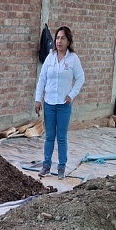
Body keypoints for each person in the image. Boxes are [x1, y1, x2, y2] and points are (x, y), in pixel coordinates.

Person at [34, 26, 85, 179]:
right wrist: (38, 99)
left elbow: (81, 78)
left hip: (64, 105)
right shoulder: (50, 57)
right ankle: (46, 165)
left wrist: (71, 95)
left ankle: (61, 167)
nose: (59, 41)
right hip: (49, 103)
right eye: (57, 38)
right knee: (49, 136)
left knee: (61, 137)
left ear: (68, 41)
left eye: (63, 38)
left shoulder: (73, 59)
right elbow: (42, 79)